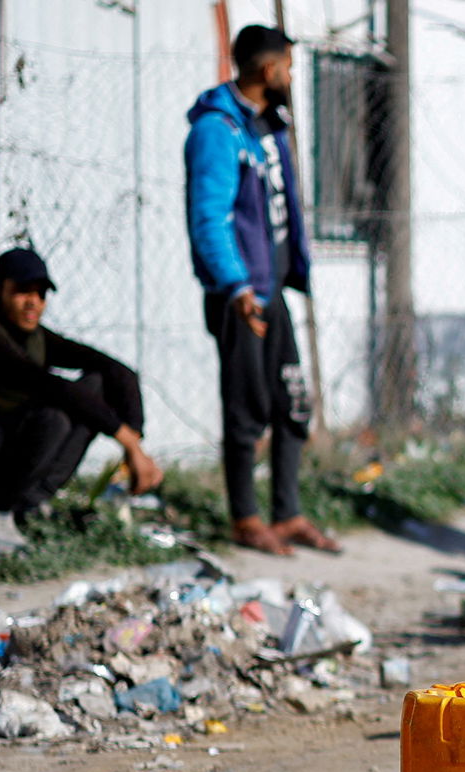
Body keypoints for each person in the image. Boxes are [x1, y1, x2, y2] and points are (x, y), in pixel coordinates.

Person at [184, 24, 338, 556]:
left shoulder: (268, 126)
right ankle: (246, 519)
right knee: (246, 407)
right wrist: (234, 284)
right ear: (268, 70)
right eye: (290, 67)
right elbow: (209, 216)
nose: (292, 76)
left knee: (293, 401)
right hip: (241, 294)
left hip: (272, 291)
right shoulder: (217, 129)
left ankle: (288, 513)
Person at [0, 248, 162, 555]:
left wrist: (136, 443)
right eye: (23, 292)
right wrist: (127, 442)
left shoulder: (28, 332)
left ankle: (28, 505)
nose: (33, 303)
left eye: (40, 294)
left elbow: (115, 371)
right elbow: (43, 384)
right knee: (54, 415)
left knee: (95, 384)